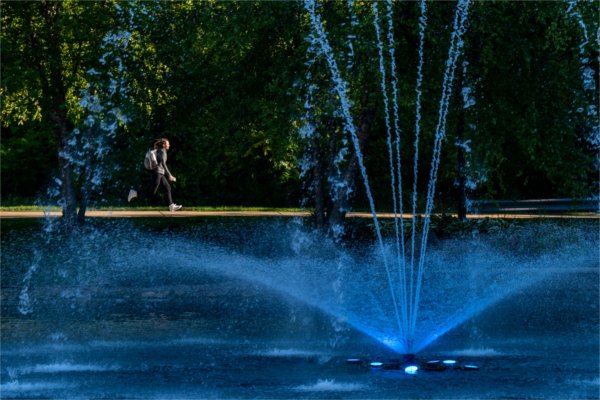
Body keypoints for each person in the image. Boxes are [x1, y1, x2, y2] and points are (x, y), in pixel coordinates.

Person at [128, 138, 182, 212]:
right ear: (164, 145)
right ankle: (134, 193)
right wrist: (169, 175)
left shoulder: (162, 151)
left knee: (167, 187)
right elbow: (163, 163)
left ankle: (171, 205)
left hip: (160, 173)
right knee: (152, 192)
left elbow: (162, 164)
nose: (169, 145)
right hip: (157, 173)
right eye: (167, 143)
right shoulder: (162, 151)